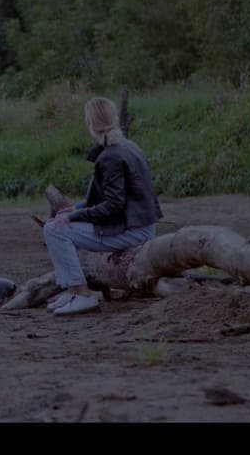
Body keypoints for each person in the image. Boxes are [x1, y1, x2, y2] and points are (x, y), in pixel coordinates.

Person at [43, 97, 163, 315]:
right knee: (60, 224)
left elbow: (114, 206)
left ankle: (82, 294)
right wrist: (76, 208)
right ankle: (71, 290)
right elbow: (119, 198)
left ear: (90, 124)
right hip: (141, 225)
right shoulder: (127, 146)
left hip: (133, 231)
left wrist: (72, 218)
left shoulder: (110, 156)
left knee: (53, 230)